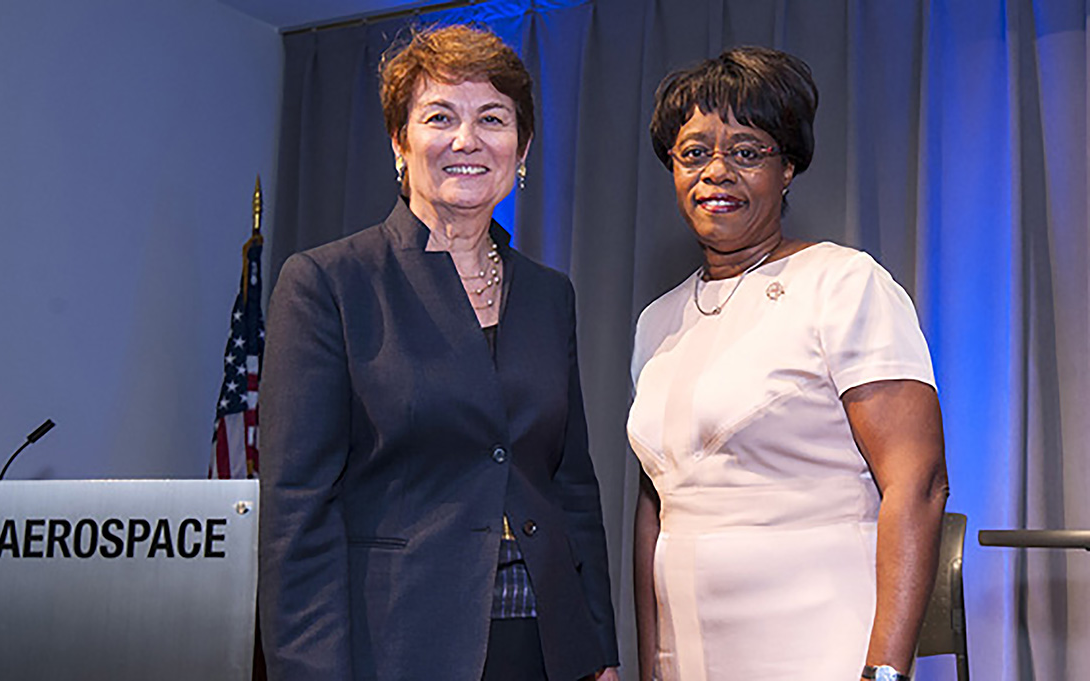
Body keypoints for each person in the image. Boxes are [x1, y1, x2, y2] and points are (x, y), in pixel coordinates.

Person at [258, 24, 619, 681]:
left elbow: (570, 488)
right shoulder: (328, 284)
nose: (466, 140)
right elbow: (297, 517)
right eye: (439, 116)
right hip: (395, 646)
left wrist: (598, 650)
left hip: (546, 647)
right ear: (400, 142)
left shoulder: (548, 295)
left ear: (523, 145)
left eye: (493, 118)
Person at [629, 47, 949, 681]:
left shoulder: (843, 284)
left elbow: (920, 484)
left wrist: (885, 673)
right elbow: (657, 508)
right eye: (693, 154)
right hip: (691, 654)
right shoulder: (656, 321)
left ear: (788, 168)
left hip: (826, 643)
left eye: (747, 152)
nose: (716, 172)